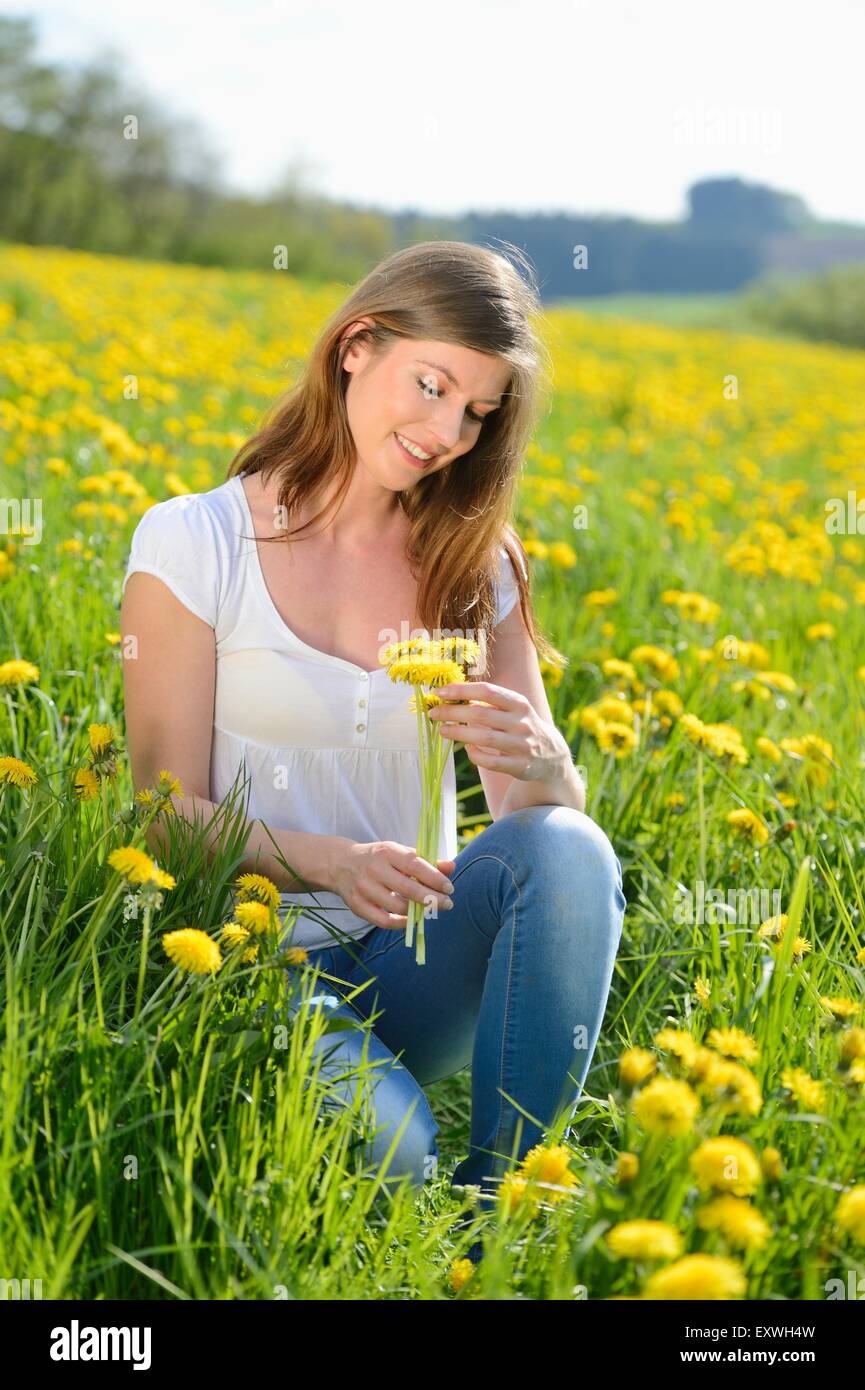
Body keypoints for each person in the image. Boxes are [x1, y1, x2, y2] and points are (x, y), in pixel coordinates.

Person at [120, 239, 626, 1247]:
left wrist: (543, 763)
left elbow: (536, 839)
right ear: (357, 346)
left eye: (477, 414)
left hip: (414, 962)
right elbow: (159, 817)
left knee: (572, 847)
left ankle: (503, 1221)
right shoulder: (196, 542)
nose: (446, 433)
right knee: (391, 1162)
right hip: (250, 968)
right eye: (432, 386)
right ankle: (400, 1141)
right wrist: (331, 864)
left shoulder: (473, 564)